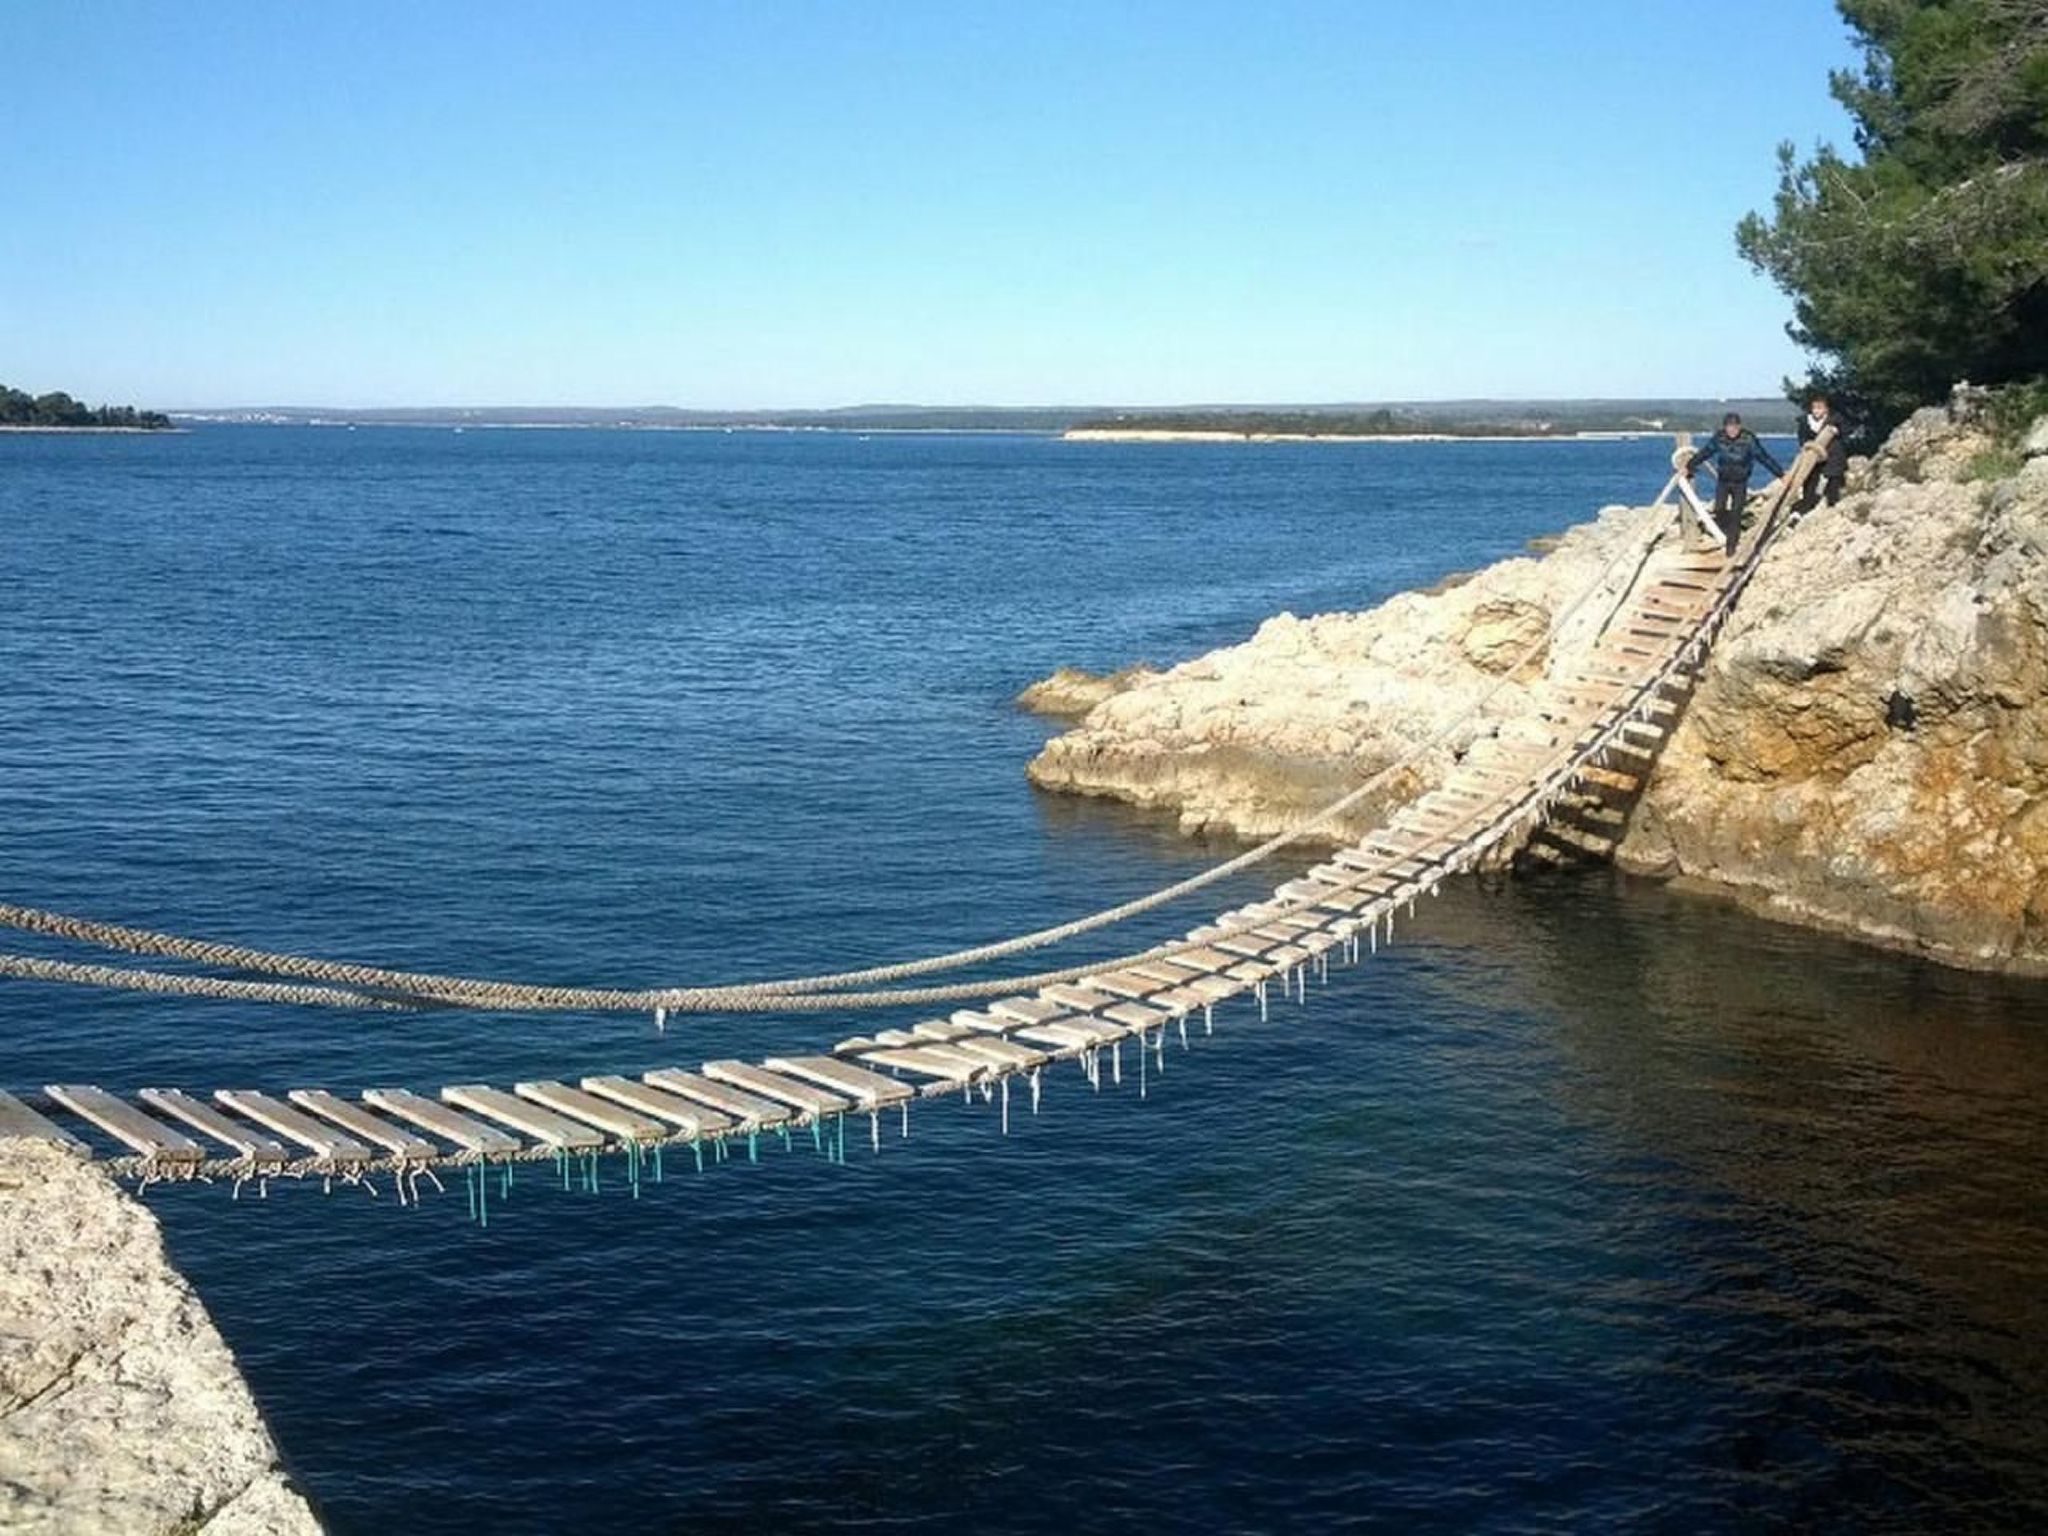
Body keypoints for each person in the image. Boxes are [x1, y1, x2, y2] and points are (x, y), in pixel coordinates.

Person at [1686, 412, 1785, 558]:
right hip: (1723, 480)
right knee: (1719, 509)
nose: (1732, 430)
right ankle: (1728, 529)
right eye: (1729, 427)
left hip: (1740, 481)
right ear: (1725, 427)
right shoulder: (1719, 438)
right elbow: (1705, 453)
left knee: (1736, 512)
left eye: (1734, 427)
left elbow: (1764, 457)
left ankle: (1731, 547)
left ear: (1739, 427)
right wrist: (1689, 465)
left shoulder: (1748, 439)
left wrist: (1780, 474)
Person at [1793, 393, 1848, 513]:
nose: (1816, 411)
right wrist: (1808, 447)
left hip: (1832, 455)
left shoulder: (1835, 420)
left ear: (1826, 409)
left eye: (1820, 408)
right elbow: (1802, 439)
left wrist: (1837, 431)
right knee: (1809, 481)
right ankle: (1807, 505)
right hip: (1813, 456)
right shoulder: (1805, 422)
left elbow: (1845, 432)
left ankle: (1832, 505)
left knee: (1833, 480)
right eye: (1814, 408)